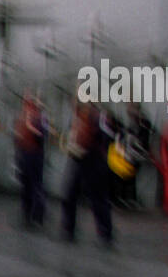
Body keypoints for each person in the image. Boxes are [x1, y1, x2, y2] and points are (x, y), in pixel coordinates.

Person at [60, 95, 115, 245]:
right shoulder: (78, 119)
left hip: (93, 162)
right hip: (78, 160)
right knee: (69, 195)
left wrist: (89, 146)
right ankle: (68, 229)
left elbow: (107, 136)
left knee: (98, 199)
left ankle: (106, 233)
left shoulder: (97, 117)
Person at [14, 94, 48, 227]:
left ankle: (38, 215)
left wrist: (30, 127)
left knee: (36, 185)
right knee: (25, 184)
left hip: (35, 155)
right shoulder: (22, 117)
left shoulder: (40, 118)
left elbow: (42, 136)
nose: (25, 106)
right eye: (25, 103)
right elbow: (18, 137)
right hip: (24, 154)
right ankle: (27, 212)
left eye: (28, 103)